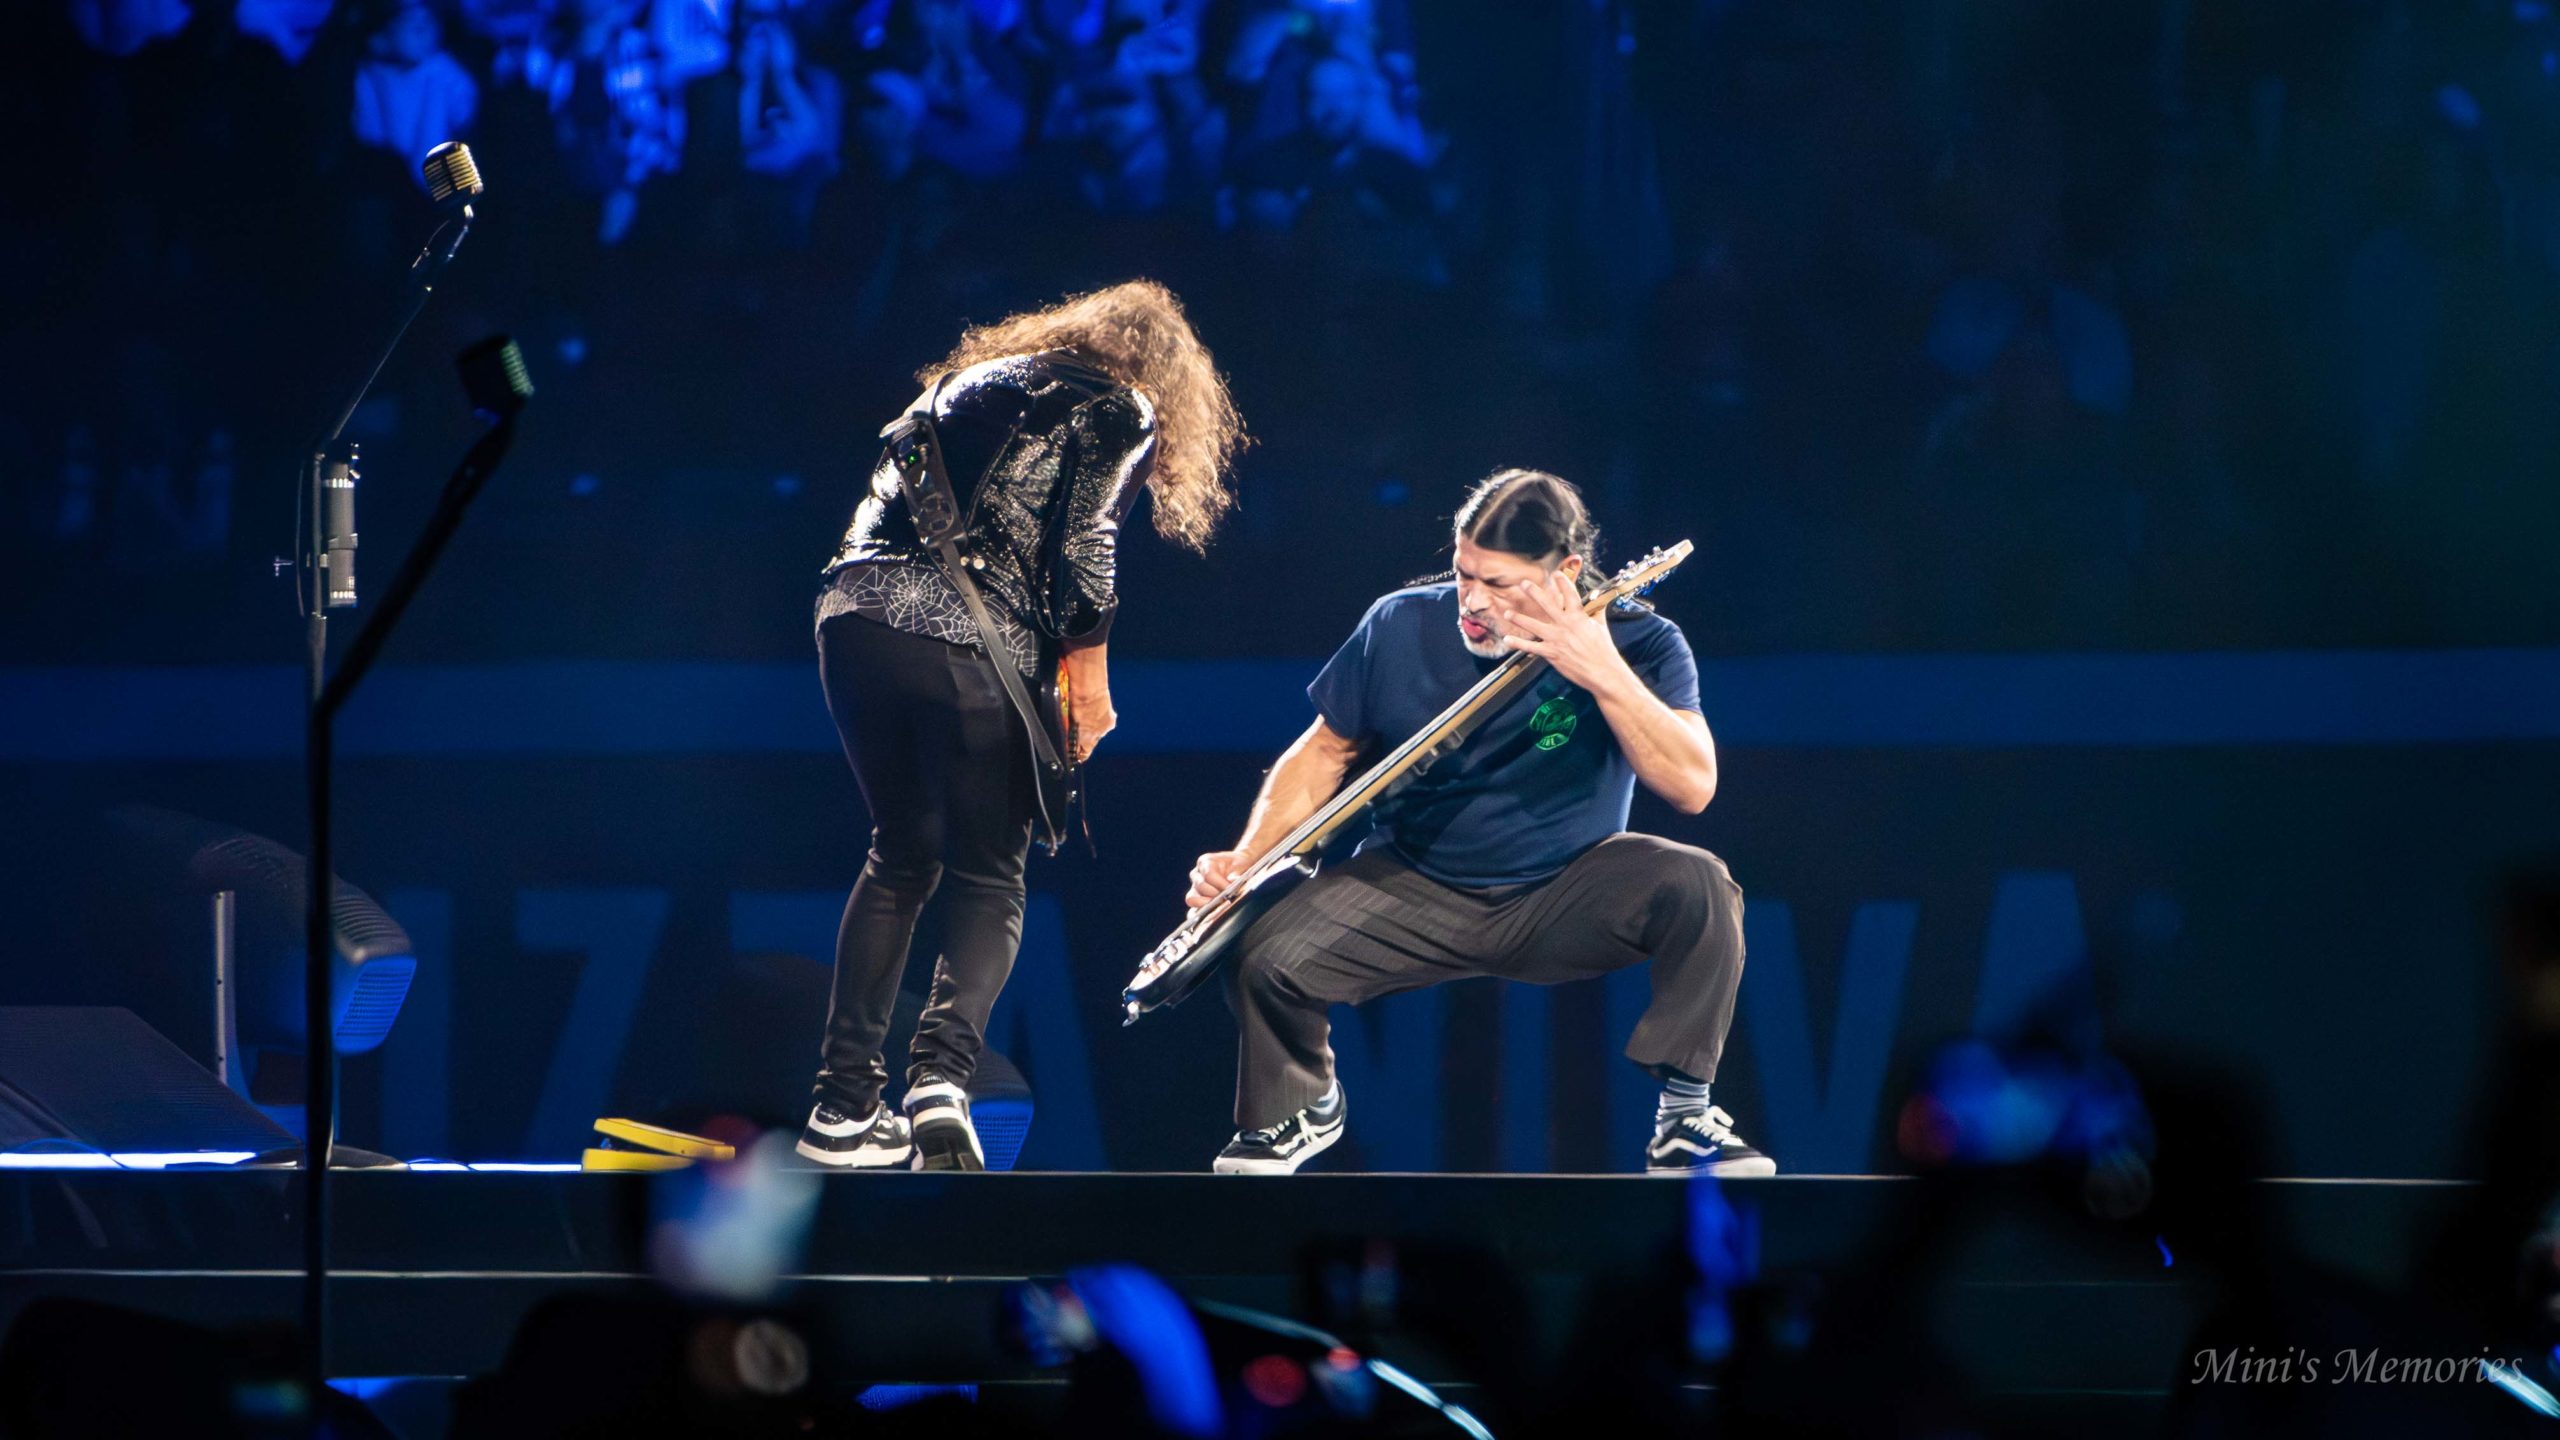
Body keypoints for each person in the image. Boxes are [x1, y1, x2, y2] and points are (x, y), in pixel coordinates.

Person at [1185, 469, 1773, 1177]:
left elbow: (1693, 786)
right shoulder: (1398, 623)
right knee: (1262, 953)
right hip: (1412, 884)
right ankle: (1301, 1105)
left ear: (1566, 573)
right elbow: (1323, 750)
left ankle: (1683, 1118)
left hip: (1564, 889)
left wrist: (1601, 670)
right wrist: (1248, 859)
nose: (1473, 600)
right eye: (1465, 574)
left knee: (1700, 885)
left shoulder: (1642, 642)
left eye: (1499, 583)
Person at [801, 280, 1245, 1170]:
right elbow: (1086, 544)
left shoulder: (965, 384)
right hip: (967, 643)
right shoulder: (1122, 405)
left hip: (850, 622)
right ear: (1165, 372)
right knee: (991, 874)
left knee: (899, 854)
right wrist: (1091, 680)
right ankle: (940, 1079)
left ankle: (842, 1111)